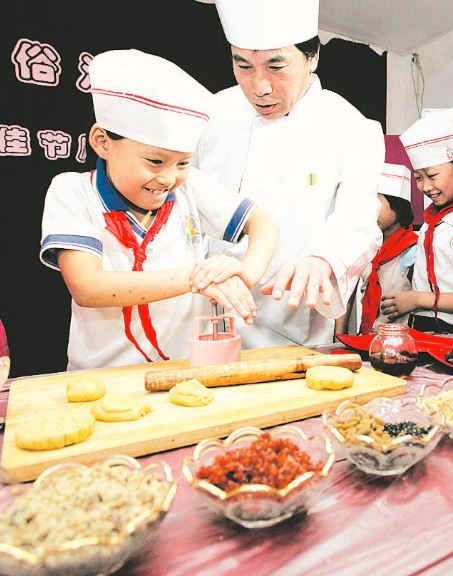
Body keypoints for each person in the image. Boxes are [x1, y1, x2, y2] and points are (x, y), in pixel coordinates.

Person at [39, 50, 278, 370]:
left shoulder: (189, 187)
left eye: (182, 162)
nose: (168, 178)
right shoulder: (73, 191)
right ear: (102, 142)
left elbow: (263, 223)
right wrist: (195, 278)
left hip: (183, 372)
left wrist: (243, 272)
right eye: (155, 161)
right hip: (101, 379)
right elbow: (87, 287)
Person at [194, 0, 384, 347]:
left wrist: (323, 260)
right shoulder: (209, 113)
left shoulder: (352, 128)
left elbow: (358, 221)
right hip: (202, 319)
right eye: (243, 66)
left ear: (313, 58)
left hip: (288, 325)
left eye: (276, 66)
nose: (259, 87)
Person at [386, 108, 453, 335]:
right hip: (423, 326)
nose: (425, 187)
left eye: (432, 176)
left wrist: (418, 299)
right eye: (418, 178)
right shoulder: (430, 221)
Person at [336, 163, 418, 335]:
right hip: (365, 336)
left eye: (376, 203)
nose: (370, 211)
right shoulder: (364, 246)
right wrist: (339, 339)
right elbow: (347, 295)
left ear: (398, 205)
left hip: (398, 338)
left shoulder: (414, 250)